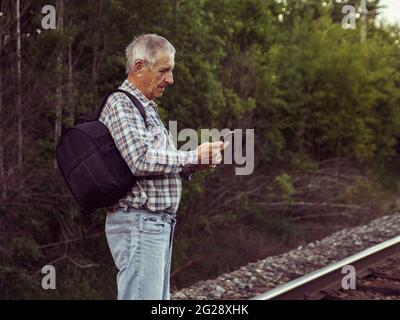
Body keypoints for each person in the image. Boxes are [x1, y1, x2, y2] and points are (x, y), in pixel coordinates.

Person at [98, 34, 226, 300]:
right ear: (139, 67)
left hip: (153, 224)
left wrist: (193, 166)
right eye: (164, 70)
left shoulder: (145, 107)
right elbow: (141, 159)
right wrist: (191, 156)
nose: (170, 79)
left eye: (171, 71)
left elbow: (153, 162)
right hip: (140, 222)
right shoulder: (122, 104)